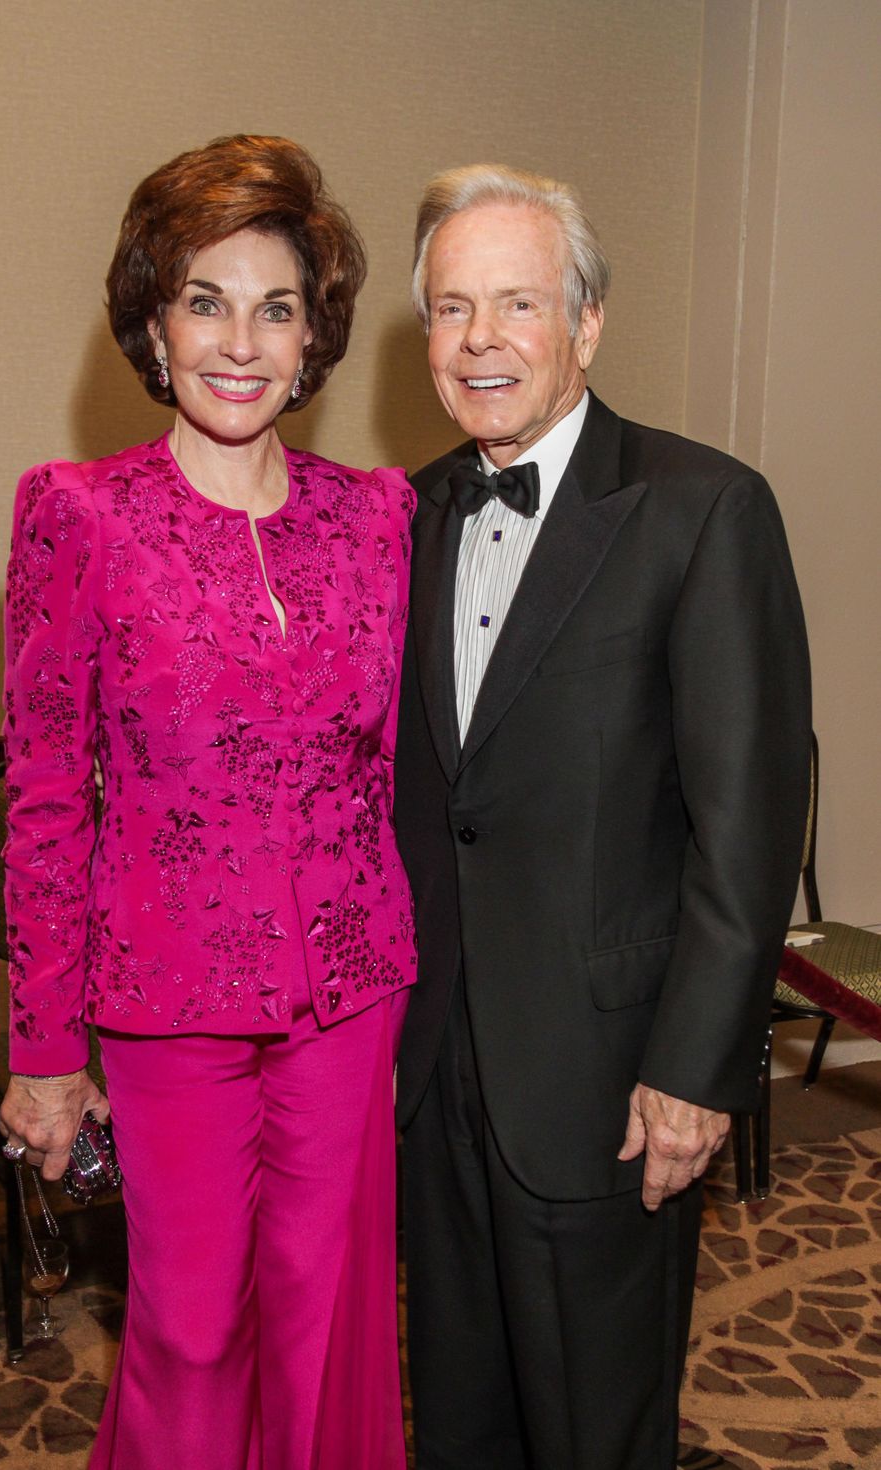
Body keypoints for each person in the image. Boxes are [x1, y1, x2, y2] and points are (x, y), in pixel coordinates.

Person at [0, 134, 416, 1470]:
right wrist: (45, 1049)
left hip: (351, 992)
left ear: (314, 338)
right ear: (154, 321)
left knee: (324, 1317)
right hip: (165, 996)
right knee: (184, 1328)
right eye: (206, 299)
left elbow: (412, 760)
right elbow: (51, 798)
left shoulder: (379, 517)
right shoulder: (80, 513)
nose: (242, 340)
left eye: (277, 306)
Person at [393, 164, 811, 1470]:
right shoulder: (405, 514)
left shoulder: (705, 511)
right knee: (463, 1413)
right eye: (453, 308)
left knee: (596, 1426)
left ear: (587, 323)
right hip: (436, 1071)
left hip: (609, 1073)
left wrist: (697, 1071)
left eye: (519, 302)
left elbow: (750, 829)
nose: (481, 339)